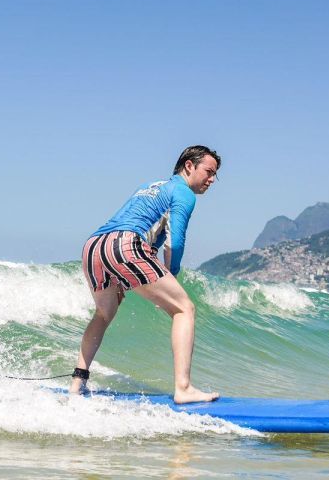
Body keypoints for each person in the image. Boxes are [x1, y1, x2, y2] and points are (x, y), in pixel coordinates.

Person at [69, 145, 221, 404]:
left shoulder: (151, 186)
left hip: (94, 245)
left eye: (215, 174)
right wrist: (170, 276)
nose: (212, 179)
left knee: (104, 313)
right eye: (208, 171)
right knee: (184, 308)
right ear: (188, 166)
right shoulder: (183, 193)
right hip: (126, 244)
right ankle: (183, 388)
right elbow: (176, 241)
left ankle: (76, 383)